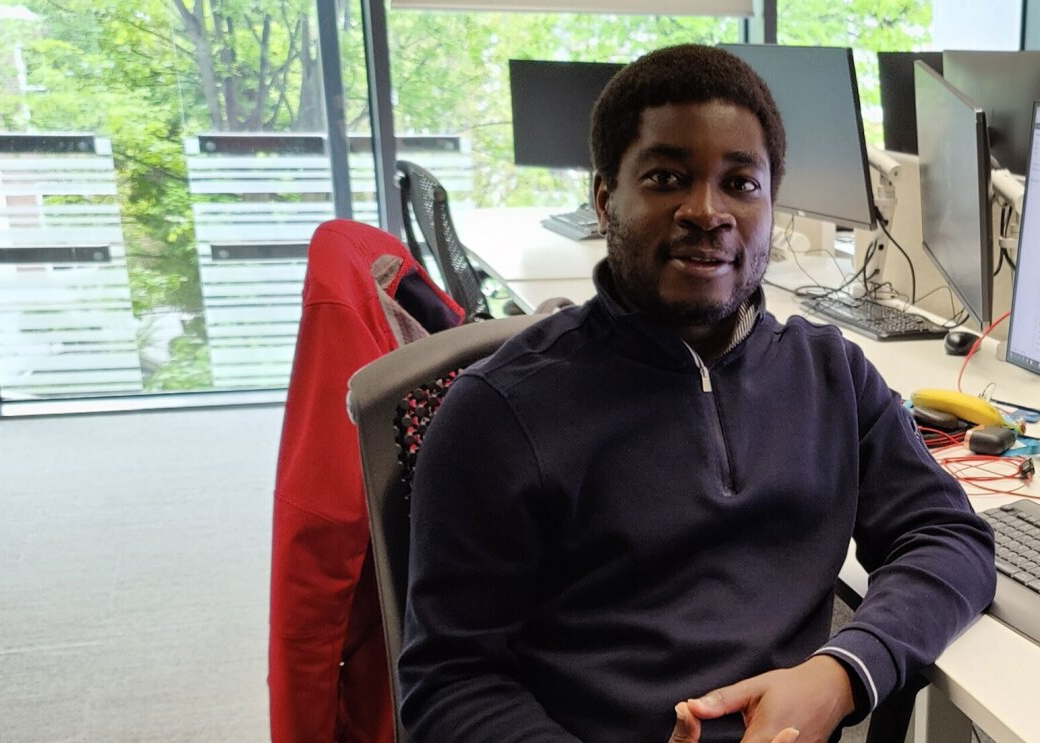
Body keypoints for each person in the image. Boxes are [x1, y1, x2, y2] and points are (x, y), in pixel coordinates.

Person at [398, 44, 996, 743]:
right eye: (665, 177)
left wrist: (841, 672)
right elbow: (448, 682)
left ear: (773, 199)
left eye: (741, 183)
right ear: (603, 197)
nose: (706, 211)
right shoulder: (499, 413)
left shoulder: (831, 376)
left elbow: (948, 536)